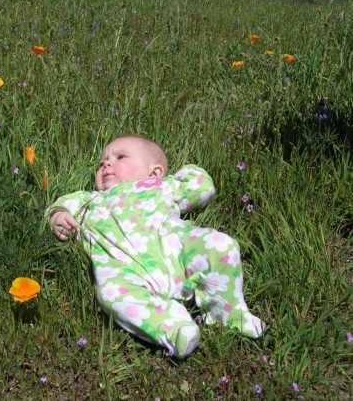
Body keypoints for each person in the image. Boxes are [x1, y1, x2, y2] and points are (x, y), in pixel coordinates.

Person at [47, 134, 264, 358]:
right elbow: (62, 205)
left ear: (155, 172)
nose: (106, 164)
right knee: (111, 294)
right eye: (101, 163)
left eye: (120, 157)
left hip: (177, 251)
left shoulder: (161, 186)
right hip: (123, 268)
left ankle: (226, 312)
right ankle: (173, 327)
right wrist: (59, 217)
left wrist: (183, 176)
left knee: (220, 245)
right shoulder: (89, 200)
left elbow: (202, 186)